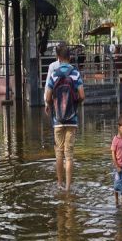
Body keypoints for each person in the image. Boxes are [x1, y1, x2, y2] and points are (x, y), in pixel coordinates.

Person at [44, 44, 85, 192]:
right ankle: (68, 187)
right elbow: (82, 96)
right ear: (70, 57)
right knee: (69, 154)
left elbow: (48, 96)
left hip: (58, 121)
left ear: (58, 57)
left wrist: (51, 105)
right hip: (72, 120)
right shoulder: (75, 73)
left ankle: (59, 184)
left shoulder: (54, 74)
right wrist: (74, 104)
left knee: (59, 153)